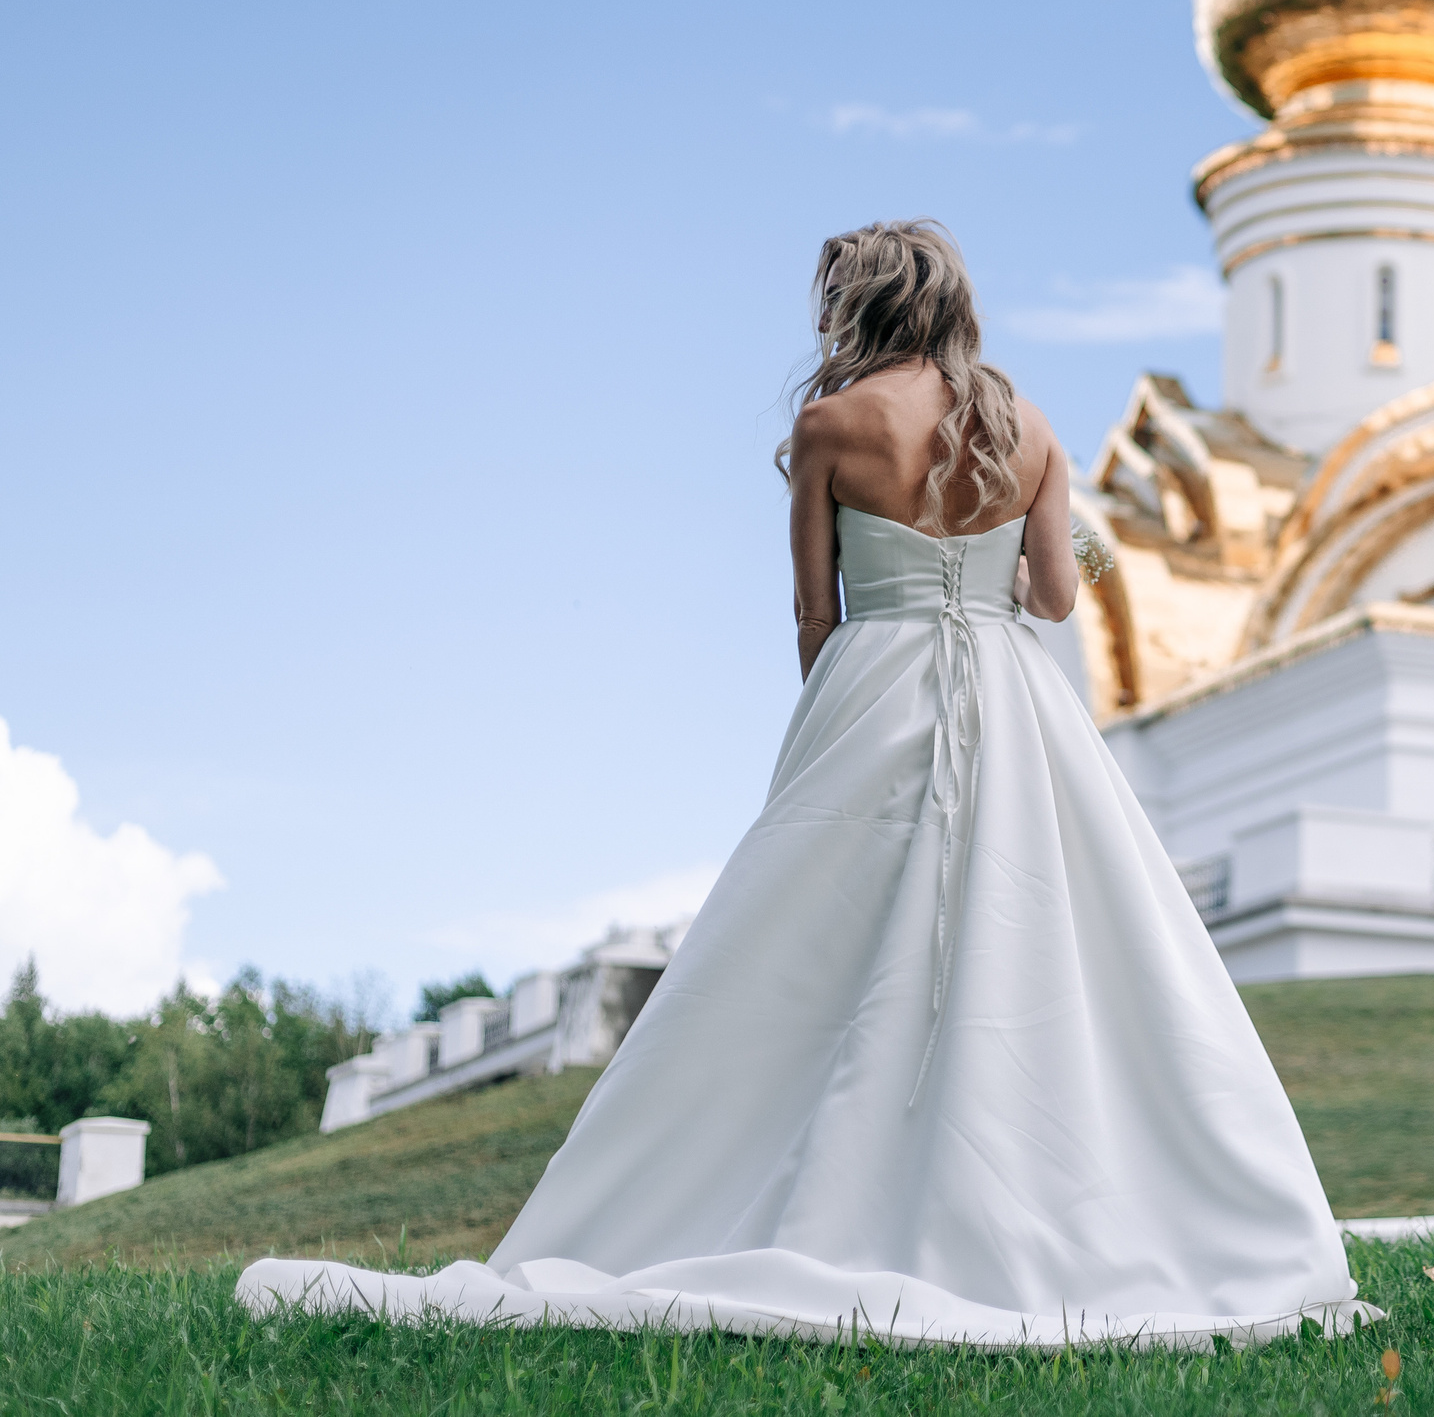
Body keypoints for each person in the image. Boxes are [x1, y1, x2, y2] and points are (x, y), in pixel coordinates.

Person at [238, 221, 1376, 1348]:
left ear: (859, 307)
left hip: (871, 686)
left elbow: (814, 613)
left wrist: (829, 729)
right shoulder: (1024, 428)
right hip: (1019, 703)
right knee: (1030, 933)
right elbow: (1056, 599)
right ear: (952, 306)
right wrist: (1076, 550)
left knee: (813, 943)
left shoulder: (830, 424)